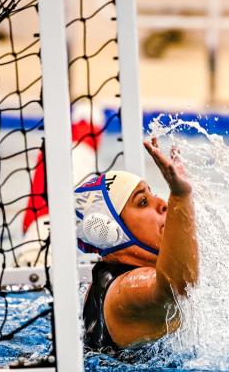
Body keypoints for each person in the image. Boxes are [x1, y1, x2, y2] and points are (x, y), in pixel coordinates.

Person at [75, 137, 198, 359]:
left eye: (152, 194)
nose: (162, 204)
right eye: (142, 202)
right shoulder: (126, 291)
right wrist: (181, 196)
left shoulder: (109, 278)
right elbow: (179, 286)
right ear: (112, 231)